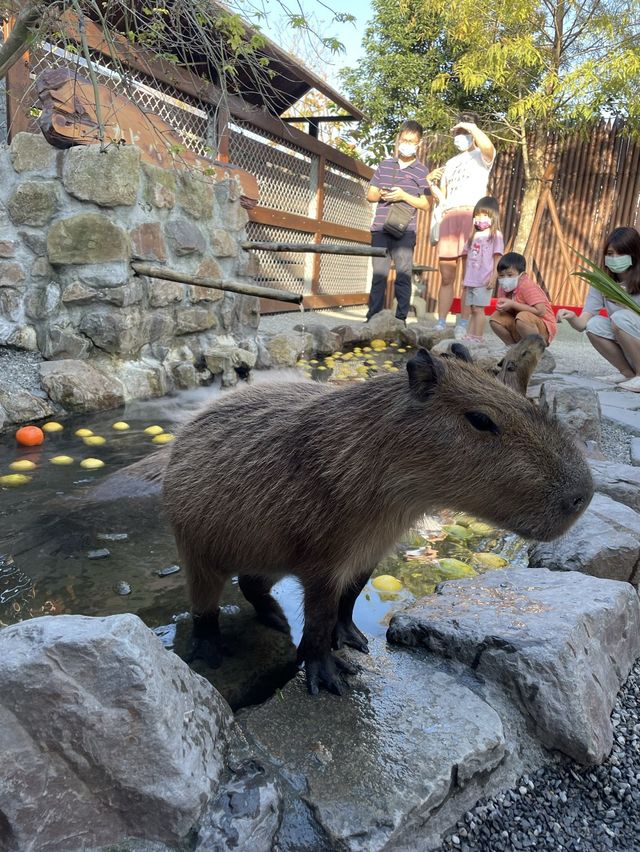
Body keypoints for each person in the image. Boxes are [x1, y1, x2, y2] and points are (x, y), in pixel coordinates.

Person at [427, 114, 496, 337]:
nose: (459, 136)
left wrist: (470, 127)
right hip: (450, 215)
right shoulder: (450, 163)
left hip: (471, 214)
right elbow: (444, 196)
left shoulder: (481, 155)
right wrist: (430, 184)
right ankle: (440, 321)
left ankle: (464, 323)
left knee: (470, 275)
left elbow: (488, 146)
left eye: (463, 132)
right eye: (456, 132)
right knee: (446, 274)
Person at [557, 227, 640, 391]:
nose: (614, 258)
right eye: (610, 254)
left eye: (620, 253)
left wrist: (626, 307)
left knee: (620, 317)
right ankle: (627, 373)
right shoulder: (602, 282)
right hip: (627, 339)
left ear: (634, 254)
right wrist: (572, 317)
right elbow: (583, 323)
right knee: (594, 324)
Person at [365, 120, 430, 323]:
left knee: (403, 274)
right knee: (379, 275)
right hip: (380, 228)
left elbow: (425, 204)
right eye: (404, 139)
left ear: (419, 144)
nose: (407, 144)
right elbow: (371, 194)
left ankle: (400, 319)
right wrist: (384, 195)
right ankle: (372, 318)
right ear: (398, 139)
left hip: (405, 231)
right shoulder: (385, 165)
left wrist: (402, 195)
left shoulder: (422, 171)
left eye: (412, 141)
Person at [489, 252, 557, 346]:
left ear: (522, 275)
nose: (505, 279)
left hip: (541, 331)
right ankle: (513, 348)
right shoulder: (503, 289)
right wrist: (504, 308)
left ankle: (534, 349)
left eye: (510, 275)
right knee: (495, 317)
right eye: (501, 275)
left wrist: (512, 304)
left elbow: (541, 311)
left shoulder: (528, 286)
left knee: (523, 316)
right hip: (519, 326)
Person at [460, 196, 503, 341]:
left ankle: (477, 336)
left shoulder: (495, 235)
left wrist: (494, 277)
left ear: (493, 216)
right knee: (473, 309)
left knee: (479, 309)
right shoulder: (474, 235)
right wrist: (464, 279)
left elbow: (498, 257)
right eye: (477, 215)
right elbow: (466, 257)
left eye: (485, 215)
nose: (480, 218)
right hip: (471, 279)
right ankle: (470, 335)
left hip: (484, 279)